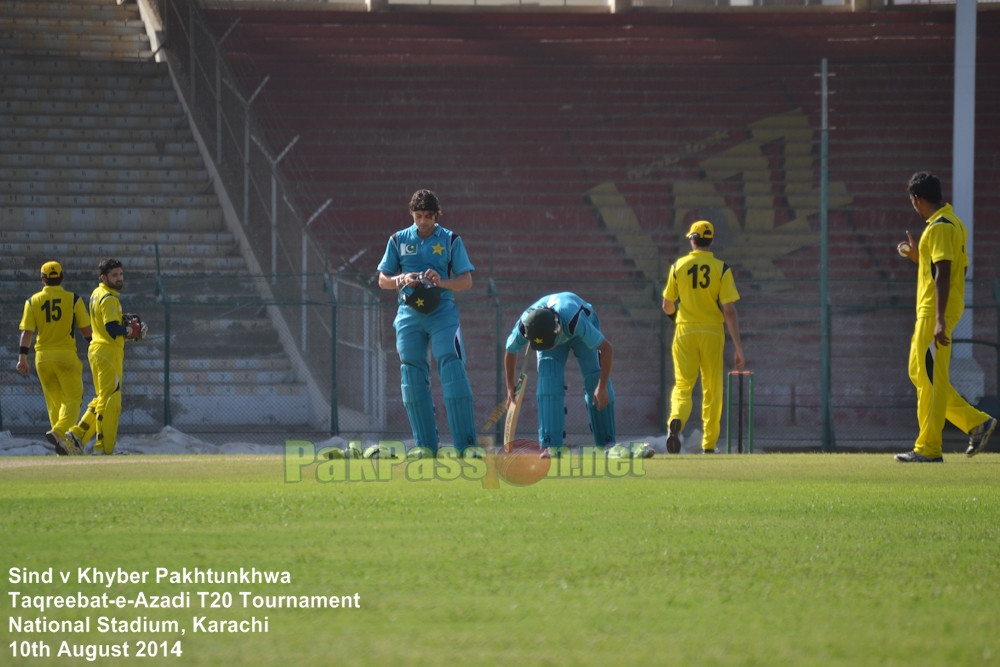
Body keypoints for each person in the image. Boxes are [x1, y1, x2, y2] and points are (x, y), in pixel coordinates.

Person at [894, 172, 996, 462]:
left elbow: (944, 272)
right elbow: (958, 270)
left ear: (918, 199)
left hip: (932, 312)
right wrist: (918, 258)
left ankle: (928, 448)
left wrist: (939, 319)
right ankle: (976, 422)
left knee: (930, 382)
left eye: (912, 200)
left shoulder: (938, 227)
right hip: (939, 309)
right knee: (920, 373)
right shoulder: (955, 224)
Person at [376, 189, 477, 457]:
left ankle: (466, 447)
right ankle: (426, 447)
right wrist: (402, 278)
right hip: (409, 313)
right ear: (412, 214)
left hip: (442, 311)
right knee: (411, 374)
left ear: (436, 215)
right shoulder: (397, 240)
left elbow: (466, 281)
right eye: (419, 216)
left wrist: (441, 281)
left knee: (452, 369)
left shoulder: (450, 239)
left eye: (428, 217)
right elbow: (383, 280)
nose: (423, 222)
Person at [503, 292, 646, 458]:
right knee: (548, 383)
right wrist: (509, 386)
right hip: (551, 336)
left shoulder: (575, 321)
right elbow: (510, 350)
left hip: (578, 333)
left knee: (594, 379)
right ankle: (550, 446)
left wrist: (602, 386)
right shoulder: (526, 325)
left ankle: (607, 444)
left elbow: (607, 349)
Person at [662, 220, 745, 454]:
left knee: (683, 386)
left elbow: (667, 306)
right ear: (711, 240)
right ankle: (709, 445)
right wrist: (738, 347)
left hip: (685, 331)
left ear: (693, 239)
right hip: (712, 333)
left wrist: (678, 319)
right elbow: (729, 310)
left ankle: (675, 422)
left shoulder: (678, 266)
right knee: (712, 389)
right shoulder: (722, 269)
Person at [65, 258, 146, 456]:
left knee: (102, 398)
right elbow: (111, 329)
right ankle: (103, 448)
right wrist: (131, 330)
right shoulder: (109, 297)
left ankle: (77, 434)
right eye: (114, 275)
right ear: (103, 277)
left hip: (98, 350)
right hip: (108, 352)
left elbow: (106, 323)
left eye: (120, 274)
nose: (119, 278)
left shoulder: (96, 293)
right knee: (111, 402)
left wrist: (125, 327)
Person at [17, 261, 93, 455]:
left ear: (43, 280)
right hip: (66, 355)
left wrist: (22, 358)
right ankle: (59, 432)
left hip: (42, 358)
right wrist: (96, 346)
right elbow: (86, 331)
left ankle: (62, 444)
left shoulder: (32, 301)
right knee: (73, 399)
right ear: (62, 277)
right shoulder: (73, 299)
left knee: (54, 402)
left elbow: (27, 332)